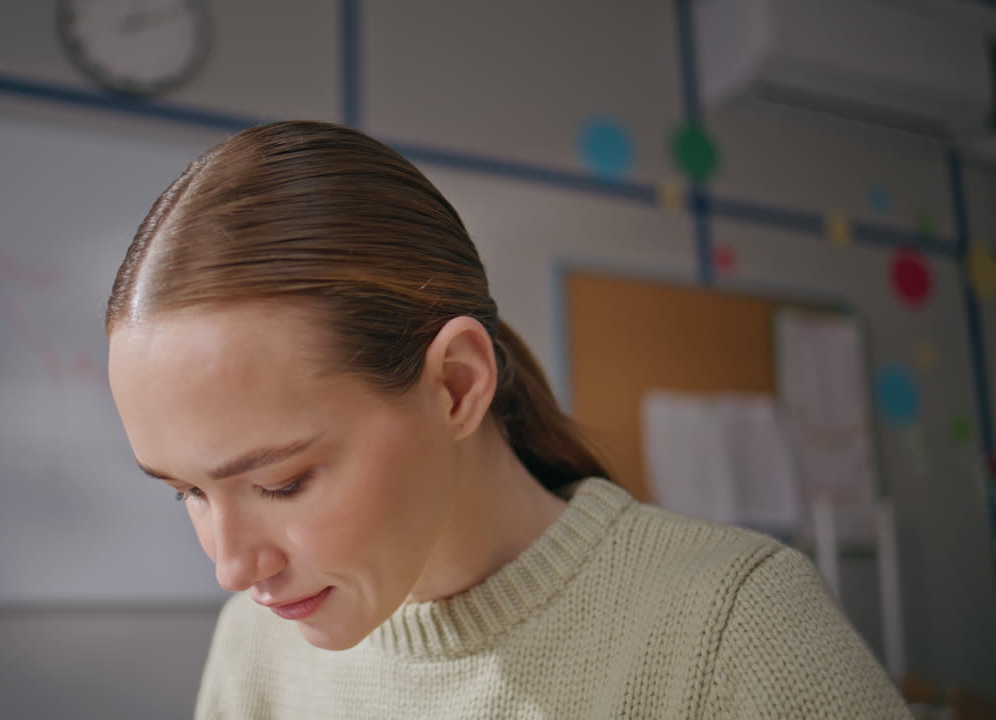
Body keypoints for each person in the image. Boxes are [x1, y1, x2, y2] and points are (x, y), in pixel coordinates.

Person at [104, 121, 910, 719]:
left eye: (281, 482)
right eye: (187, 495)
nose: (234, 569)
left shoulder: (731, 626)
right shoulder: (252, 651)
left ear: (456, 386)